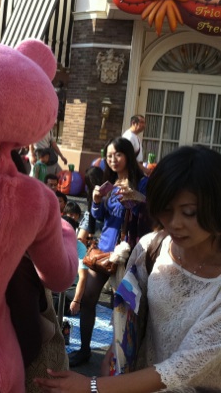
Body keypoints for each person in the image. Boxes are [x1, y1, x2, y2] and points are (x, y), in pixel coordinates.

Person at [36, 145, 221, 392]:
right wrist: (117, 351)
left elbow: (180, 369)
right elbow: (128, 311)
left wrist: (92, 386)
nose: (175, 223)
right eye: (166, 209)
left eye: (189, 212)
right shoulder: (152, 247)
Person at [68, 137, 148, 367]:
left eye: (118, 154)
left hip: (129, 252)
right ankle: (84, 350)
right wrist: (95, 201)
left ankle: (121, 358)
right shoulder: (109, 183)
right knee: (88, 297)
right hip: (105, 250)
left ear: (128, 155)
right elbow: (99, 217)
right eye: (109, 156)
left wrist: (136, 200)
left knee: (123, 306)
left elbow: (152, 213)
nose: (113, 159)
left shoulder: (143, 183)